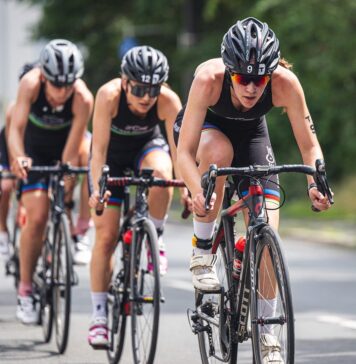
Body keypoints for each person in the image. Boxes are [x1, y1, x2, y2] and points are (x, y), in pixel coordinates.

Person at [175, 17, 332, 363]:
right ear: (230, 71)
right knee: (219, 154)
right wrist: (195, 190)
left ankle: (268, 337)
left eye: (260, 78)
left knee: (267, 235)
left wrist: (314, 184)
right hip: (206, 134)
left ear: (271, 73)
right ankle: (203, 250)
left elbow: (310, 147)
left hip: (253, 137)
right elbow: (183, 154)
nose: (251, 87)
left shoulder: (286, 84)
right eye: (243, 78)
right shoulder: (207, 80)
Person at [88, 45, 186, 349]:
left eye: (153, 89)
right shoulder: (108, 96)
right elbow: (98, 153)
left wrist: (185, 187)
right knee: (105, 237)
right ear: (125, 81)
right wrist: (96, 189)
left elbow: (180, 152)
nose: (146, 96)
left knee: (161, 173)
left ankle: (155, 235)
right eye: (140, 88)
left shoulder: (168, 101)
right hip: (111, 160)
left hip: (147, 149)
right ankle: (99, 316)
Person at [9, 39, 94, 324]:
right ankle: (25, 291)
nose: (62, 91)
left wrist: (65, 179)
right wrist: (19, 157)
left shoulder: (82, 97)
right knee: (36, 215)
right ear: (44, 76)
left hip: (64, 148)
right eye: (56, 84)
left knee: (84, 159)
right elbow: (15, 129)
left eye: (68, 84)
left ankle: (78, 229)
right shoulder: (30, 85)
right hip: (33, 151)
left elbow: (74, 146)